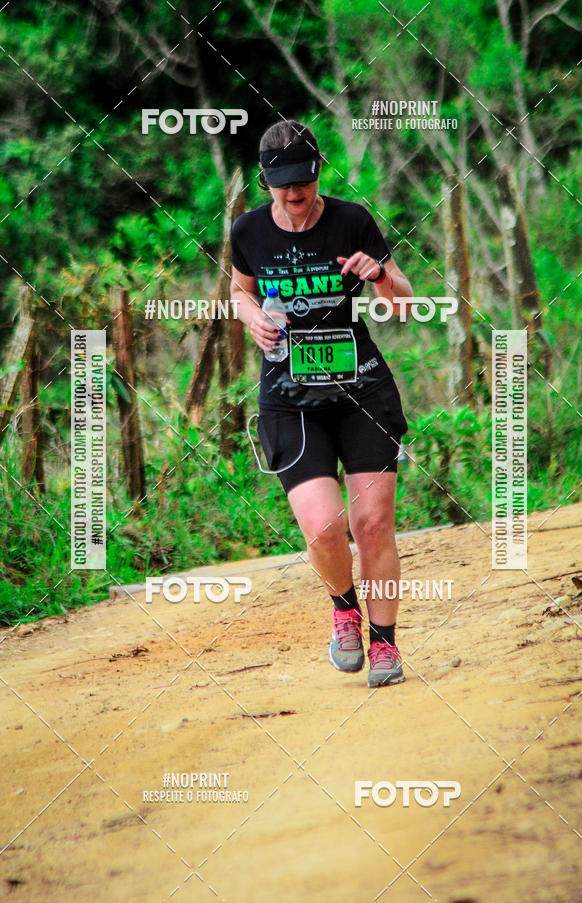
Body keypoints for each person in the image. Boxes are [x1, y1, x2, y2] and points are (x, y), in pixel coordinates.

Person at [230, 120, 412, 688]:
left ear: (318, 171)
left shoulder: (352, 220)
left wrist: (379, 273)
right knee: (325, 529)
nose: (293, 193)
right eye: (281, 184)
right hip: (290, 397)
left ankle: (383, 643)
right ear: (264, 181)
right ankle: (344, 608)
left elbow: (404, 304)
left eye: (302, 181)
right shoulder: (249, 231)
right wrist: (253, 316)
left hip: (360, 388)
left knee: (374, 522)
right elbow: (239, 290)